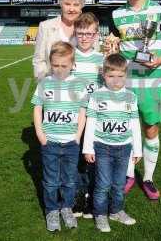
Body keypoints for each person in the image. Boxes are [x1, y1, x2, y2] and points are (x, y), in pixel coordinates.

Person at [107, 0, 161, 200]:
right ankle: (129, 175)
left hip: (151, 82)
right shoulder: (116, 15)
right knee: (126, 129)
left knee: (150, 128)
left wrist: (158, 61)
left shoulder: (160, 11)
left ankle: (147, 178)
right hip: (124, 83)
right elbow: (113, 46)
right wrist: (110, 47)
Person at [32, 41, 88, 232]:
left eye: (64, 65)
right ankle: (51, 210)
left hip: (71, 142)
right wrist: (40, 134)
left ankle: (66, 207)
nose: (59, 69)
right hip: (51, 142)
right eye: (55, 65)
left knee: (70, 179)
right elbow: (37, 108)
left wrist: (78, 135)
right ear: (50, 63)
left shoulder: (78, 84)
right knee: (50, 180)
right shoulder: (45, 83)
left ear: (72, 64)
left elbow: (82, 111)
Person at [82, 54, 142, 232]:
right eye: (111, 76)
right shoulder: (97, 96)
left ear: (126, 75)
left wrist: (137, 150)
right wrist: (87, 148)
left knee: (118, 184)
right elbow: (91, 123)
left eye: (120, 76)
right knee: (103, 184)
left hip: (124, 149)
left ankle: (116, 211)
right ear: (103, 75)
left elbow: (134, 125)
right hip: (102, 148)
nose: (116, 81)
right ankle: (100, 214)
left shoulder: (131, 97)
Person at [71, 12, 104, 218]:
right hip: (74, 119)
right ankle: (78, 198)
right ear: (75, 33)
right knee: (75, 160)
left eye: (89, 34)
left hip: (95, 120)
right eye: (81, 33)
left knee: (93, 160)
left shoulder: (102, 59)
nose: (84, 37)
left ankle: (92, 198)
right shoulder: (69, 56)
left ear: (96, 35)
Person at [33, 0, 86, 80]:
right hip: (53, 86)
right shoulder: (45, 27)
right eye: (67, 4)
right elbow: (39, 60)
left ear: (81, 6)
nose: (71, 9)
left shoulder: (89, 29)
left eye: (76, 5)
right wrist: (44, 82)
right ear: (61, 4)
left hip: (81, 86)